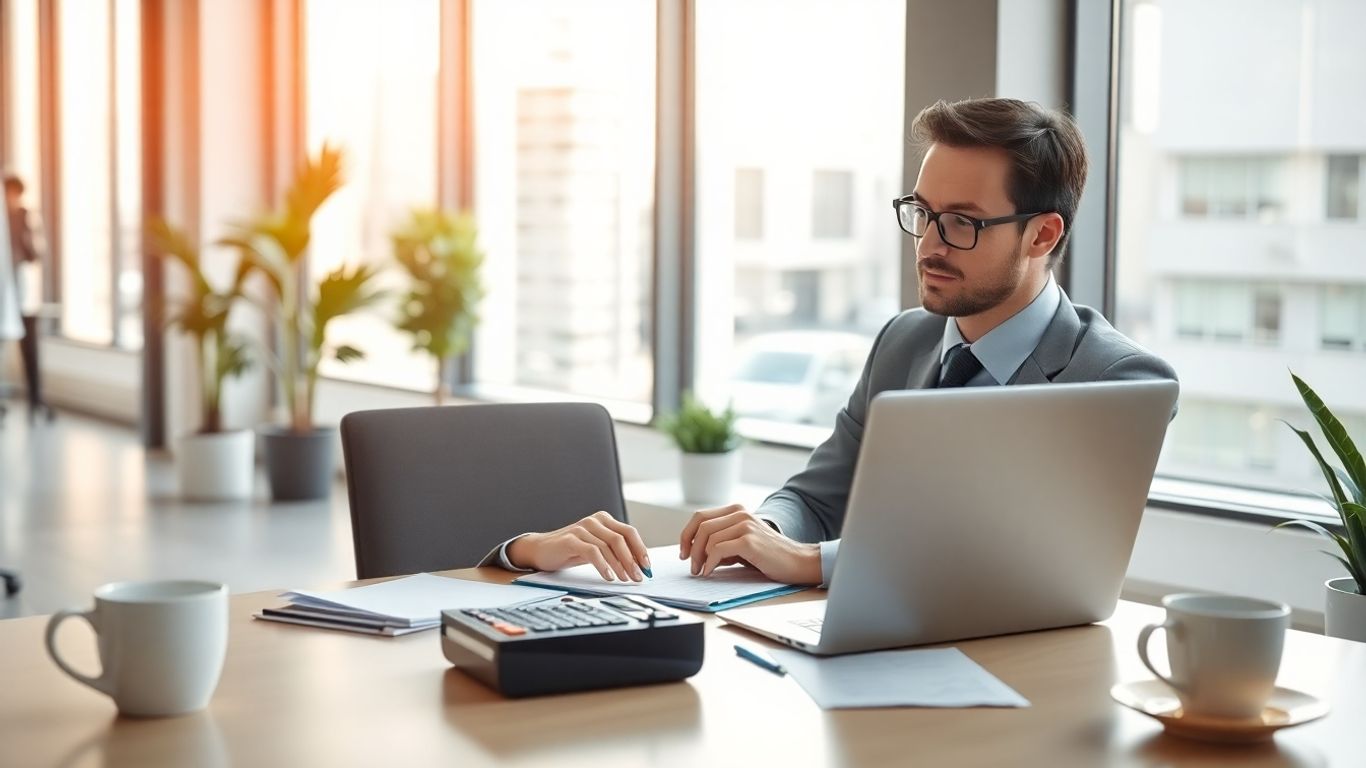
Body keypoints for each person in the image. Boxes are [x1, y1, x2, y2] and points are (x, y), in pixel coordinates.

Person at [483, 97, 1176, 586]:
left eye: (962, 222)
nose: (930, 245)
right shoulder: (907, 340)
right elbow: (817, 497)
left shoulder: (1119, 381)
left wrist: (815, 564)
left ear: (1043, 234)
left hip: (1026, 679)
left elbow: (1024, 563)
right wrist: (766, 532)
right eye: (922, 214)